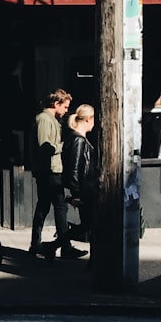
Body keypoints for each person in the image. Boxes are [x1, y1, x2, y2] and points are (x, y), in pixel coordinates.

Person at [29, 88, 86, 260]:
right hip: (49, 171)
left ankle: (37, 244)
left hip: (49, 170)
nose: (67, 110)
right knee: (59, 208)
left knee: (44, 207)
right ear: (56, 104)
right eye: (65, 106)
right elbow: (45, 147)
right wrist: (64, 145)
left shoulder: (50, 119)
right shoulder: (45, 120)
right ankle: (63, 246)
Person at [62, 104, 98, 247]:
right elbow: (75, 169)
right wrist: (76, 194)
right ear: (89, 119)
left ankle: (52, 246)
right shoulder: (79, 140)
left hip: (85, 188)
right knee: (90, 224)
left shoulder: (75, 137)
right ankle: (52, 245)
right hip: (85, 189)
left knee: (89, 224)